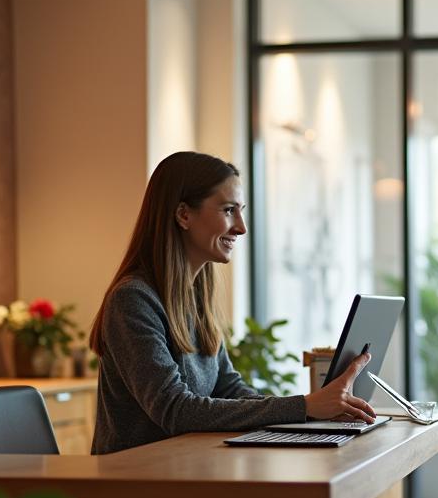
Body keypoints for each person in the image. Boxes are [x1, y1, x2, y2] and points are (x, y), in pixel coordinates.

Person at [89, 150, 375, 454]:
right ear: (183, 214)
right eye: (228, 211)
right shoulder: (133, 299)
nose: (241, 227)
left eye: (241, 211)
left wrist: (309, 414)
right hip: (137, 481)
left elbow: (228, 388)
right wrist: (304, 406)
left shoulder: (195, 297)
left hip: (188, 469)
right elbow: (175, 410)